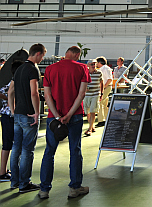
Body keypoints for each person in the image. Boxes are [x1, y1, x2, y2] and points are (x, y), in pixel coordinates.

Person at [39, 45, 89, 199]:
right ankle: (74, 188)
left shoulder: (50, 69)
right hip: (75, 116)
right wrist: (68, 115)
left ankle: (44, 190)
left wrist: (56, 116)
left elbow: (47, 96)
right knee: (75, 150)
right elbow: (81, 94)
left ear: (66, 53)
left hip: (53, 117)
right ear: (77, 54)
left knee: (49, 151)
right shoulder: (82, 68)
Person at [7, 43, 46, 193]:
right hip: (29, 115)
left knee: (16, 148)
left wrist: (12, 110)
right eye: (42, 56)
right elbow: (34, 93)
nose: (42, 59)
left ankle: (14, 181)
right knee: (27, 150)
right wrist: (37, 112)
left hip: (17, 114)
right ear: (38, 54)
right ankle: (24, 184)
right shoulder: (32, 70)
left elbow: (11, 92)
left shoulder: (19, 69)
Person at [0, 60, 23, 182]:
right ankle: (2, 172)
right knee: (8, 145)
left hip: (7, 116)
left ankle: (4, 171)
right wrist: (9, 98)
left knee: (9, 144)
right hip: (9, 116)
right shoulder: (13, 83)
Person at [84, 60, 102, 136]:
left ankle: (90, 129)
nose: (93, 65)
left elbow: (101, 82)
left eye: (94, 64)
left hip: (95, 94)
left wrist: (102, 93)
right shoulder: (85, 73)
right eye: (91, 64)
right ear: (88, 65)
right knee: (87, 112)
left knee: (92, 111)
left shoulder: (99, 73)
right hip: (86, 95)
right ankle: (91, 126)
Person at [96, 56, 113, 127]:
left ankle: (101, 120)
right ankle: (105, 118)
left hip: (106, 87)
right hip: (106, 87)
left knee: (100, 102)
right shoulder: (104, 68)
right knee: (104, 103)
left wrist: (103, 87)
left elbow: (109, 79)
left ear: (99, 63)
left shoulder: (105, 69)